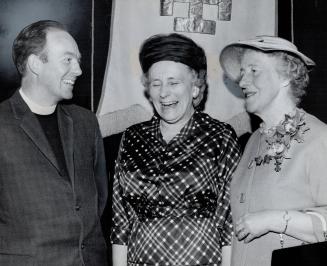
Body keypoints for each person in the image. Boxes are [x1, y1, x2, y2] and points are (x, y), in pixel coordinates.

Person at [110, 33, 241, 266]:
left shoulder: (220, 136)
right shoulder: (132, 137)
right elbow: (120, 222)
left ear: (195, 87)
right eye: (156, 84)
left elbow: (229, 221)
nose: (164, 93)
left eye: (174, 83)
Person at [0, 20, 108, 265]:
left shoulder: (85, 122)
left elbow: (98, 198)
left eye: (78, 60)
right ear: (36, 64)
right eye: (68, 59)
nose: (79, 70)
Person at [219, 35, 327, 266]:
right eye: (242, 72)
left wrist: (275, 220)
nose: (243, 81)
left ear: (285, 77)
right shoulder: (254, 140)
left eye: (254, 71)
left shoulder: (319, 138)